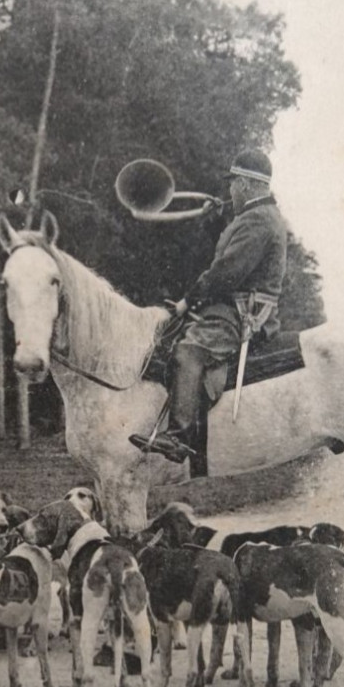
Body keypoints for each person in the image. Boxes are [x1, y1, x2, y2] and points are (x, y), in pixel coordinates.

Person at [129, 148, 290, 462]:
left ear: (244, 184)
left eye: (232, 184)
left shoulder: (258, 220)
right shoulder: (253, 218)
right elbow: (225, 258)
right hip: (231, 309)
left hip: (244, 314)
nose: (229, 190)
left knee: (190, 351)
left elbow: (226, 273)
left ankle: (178, 438)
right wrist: (216, 220)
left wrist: (187, 301)